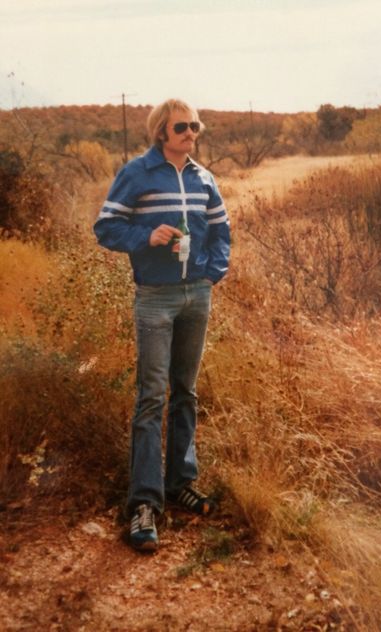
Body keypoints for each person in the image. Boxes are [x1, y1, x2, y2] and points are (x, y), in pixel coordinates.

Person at [94, 99, 230, 551]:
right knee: (152, 396)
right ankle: (144, 504)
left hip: (197, 296)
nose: (191, 132)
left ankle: (180, 483)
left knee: (186, 392)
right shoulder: (138, 173)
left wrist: (211, 273)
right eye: (182, 126)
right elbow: (106, 226)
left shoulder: (203, 177)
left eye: (195, 125)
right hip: (155, 298)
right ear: (161, 132)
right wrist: (145, 237)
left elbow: (221, 230)